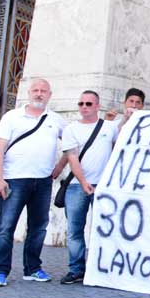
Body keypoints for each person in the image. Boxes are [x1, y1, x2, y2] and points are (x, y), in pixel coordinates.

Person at [0, 78, 67, 287]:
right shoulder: (12, 117)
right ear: (28, 92)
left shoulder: (56, 120)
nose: (39, 94)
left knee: (38, 228)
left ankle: (32, 269)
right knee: (6, 228)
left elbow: (72, 145)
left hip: (42, 182)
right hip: (14, 179)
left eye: (43, 91)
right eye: (35, 90)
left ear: (49, 95)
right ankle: (0, 272)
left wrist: (60, 166)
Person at [60, 90, 118, 284]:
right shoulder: (71, 129)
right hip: (77, 186)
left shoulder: (110, 127)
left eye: (89, 104)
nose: (84, 107)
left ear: (97, 106)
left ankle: (102, 268)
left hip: (104, 187)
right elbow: (72, 157)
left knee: (105, 229)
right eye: (81, 103)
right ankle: (76, 269)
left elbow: (120, 147)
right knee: (75, 230)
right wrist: (84, 182)